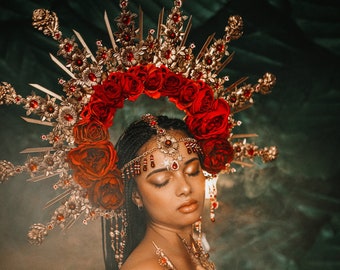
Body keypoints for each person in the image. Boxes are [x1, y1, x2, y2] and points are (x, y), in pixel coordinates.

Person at [102, 114, 215, 269]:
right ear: (136, 195)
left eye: (192, 171)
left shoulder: (193, 249)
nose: (185, 188)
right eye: (162, 181)